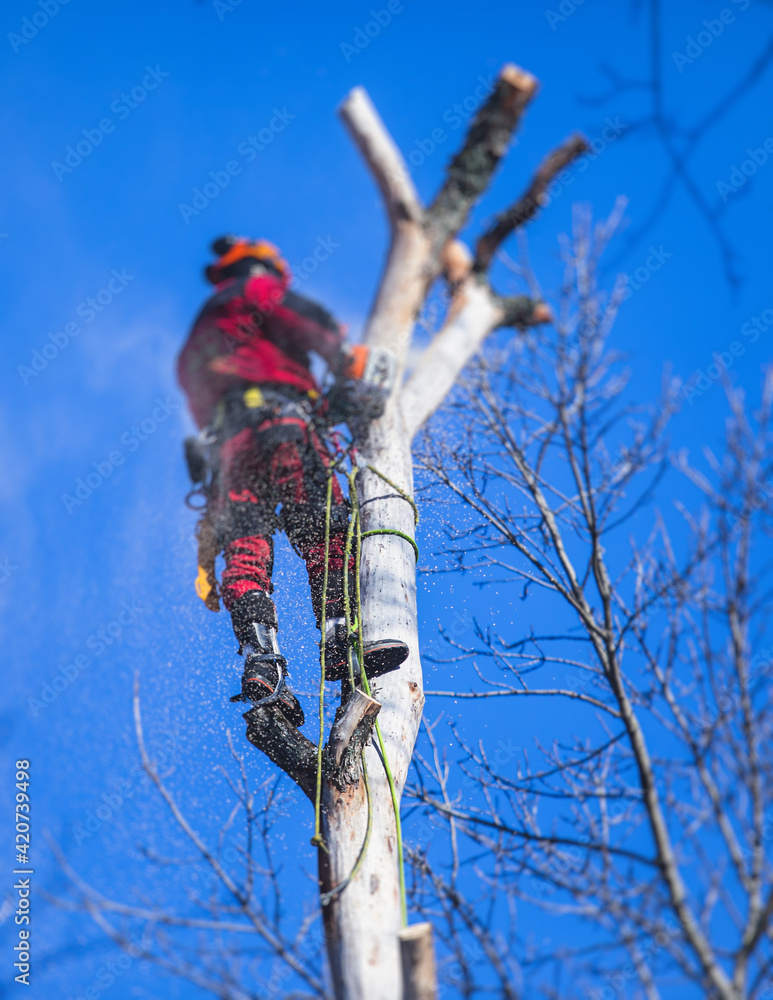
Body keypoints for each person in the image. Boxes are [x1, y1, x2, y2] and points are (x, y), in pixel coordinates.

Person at [177, 236, 408, 727]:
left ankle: (261, 667)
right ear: (262, 266)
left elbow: (216, 386)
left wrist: (326, 405)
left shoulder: (200, 335)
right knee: (322, 523)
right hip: (283, 427)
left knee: (245, 549)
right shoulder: (256, 292)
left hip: (230, 451)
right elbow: (306, 323)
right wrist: (348, 363)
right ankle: (341, 641)